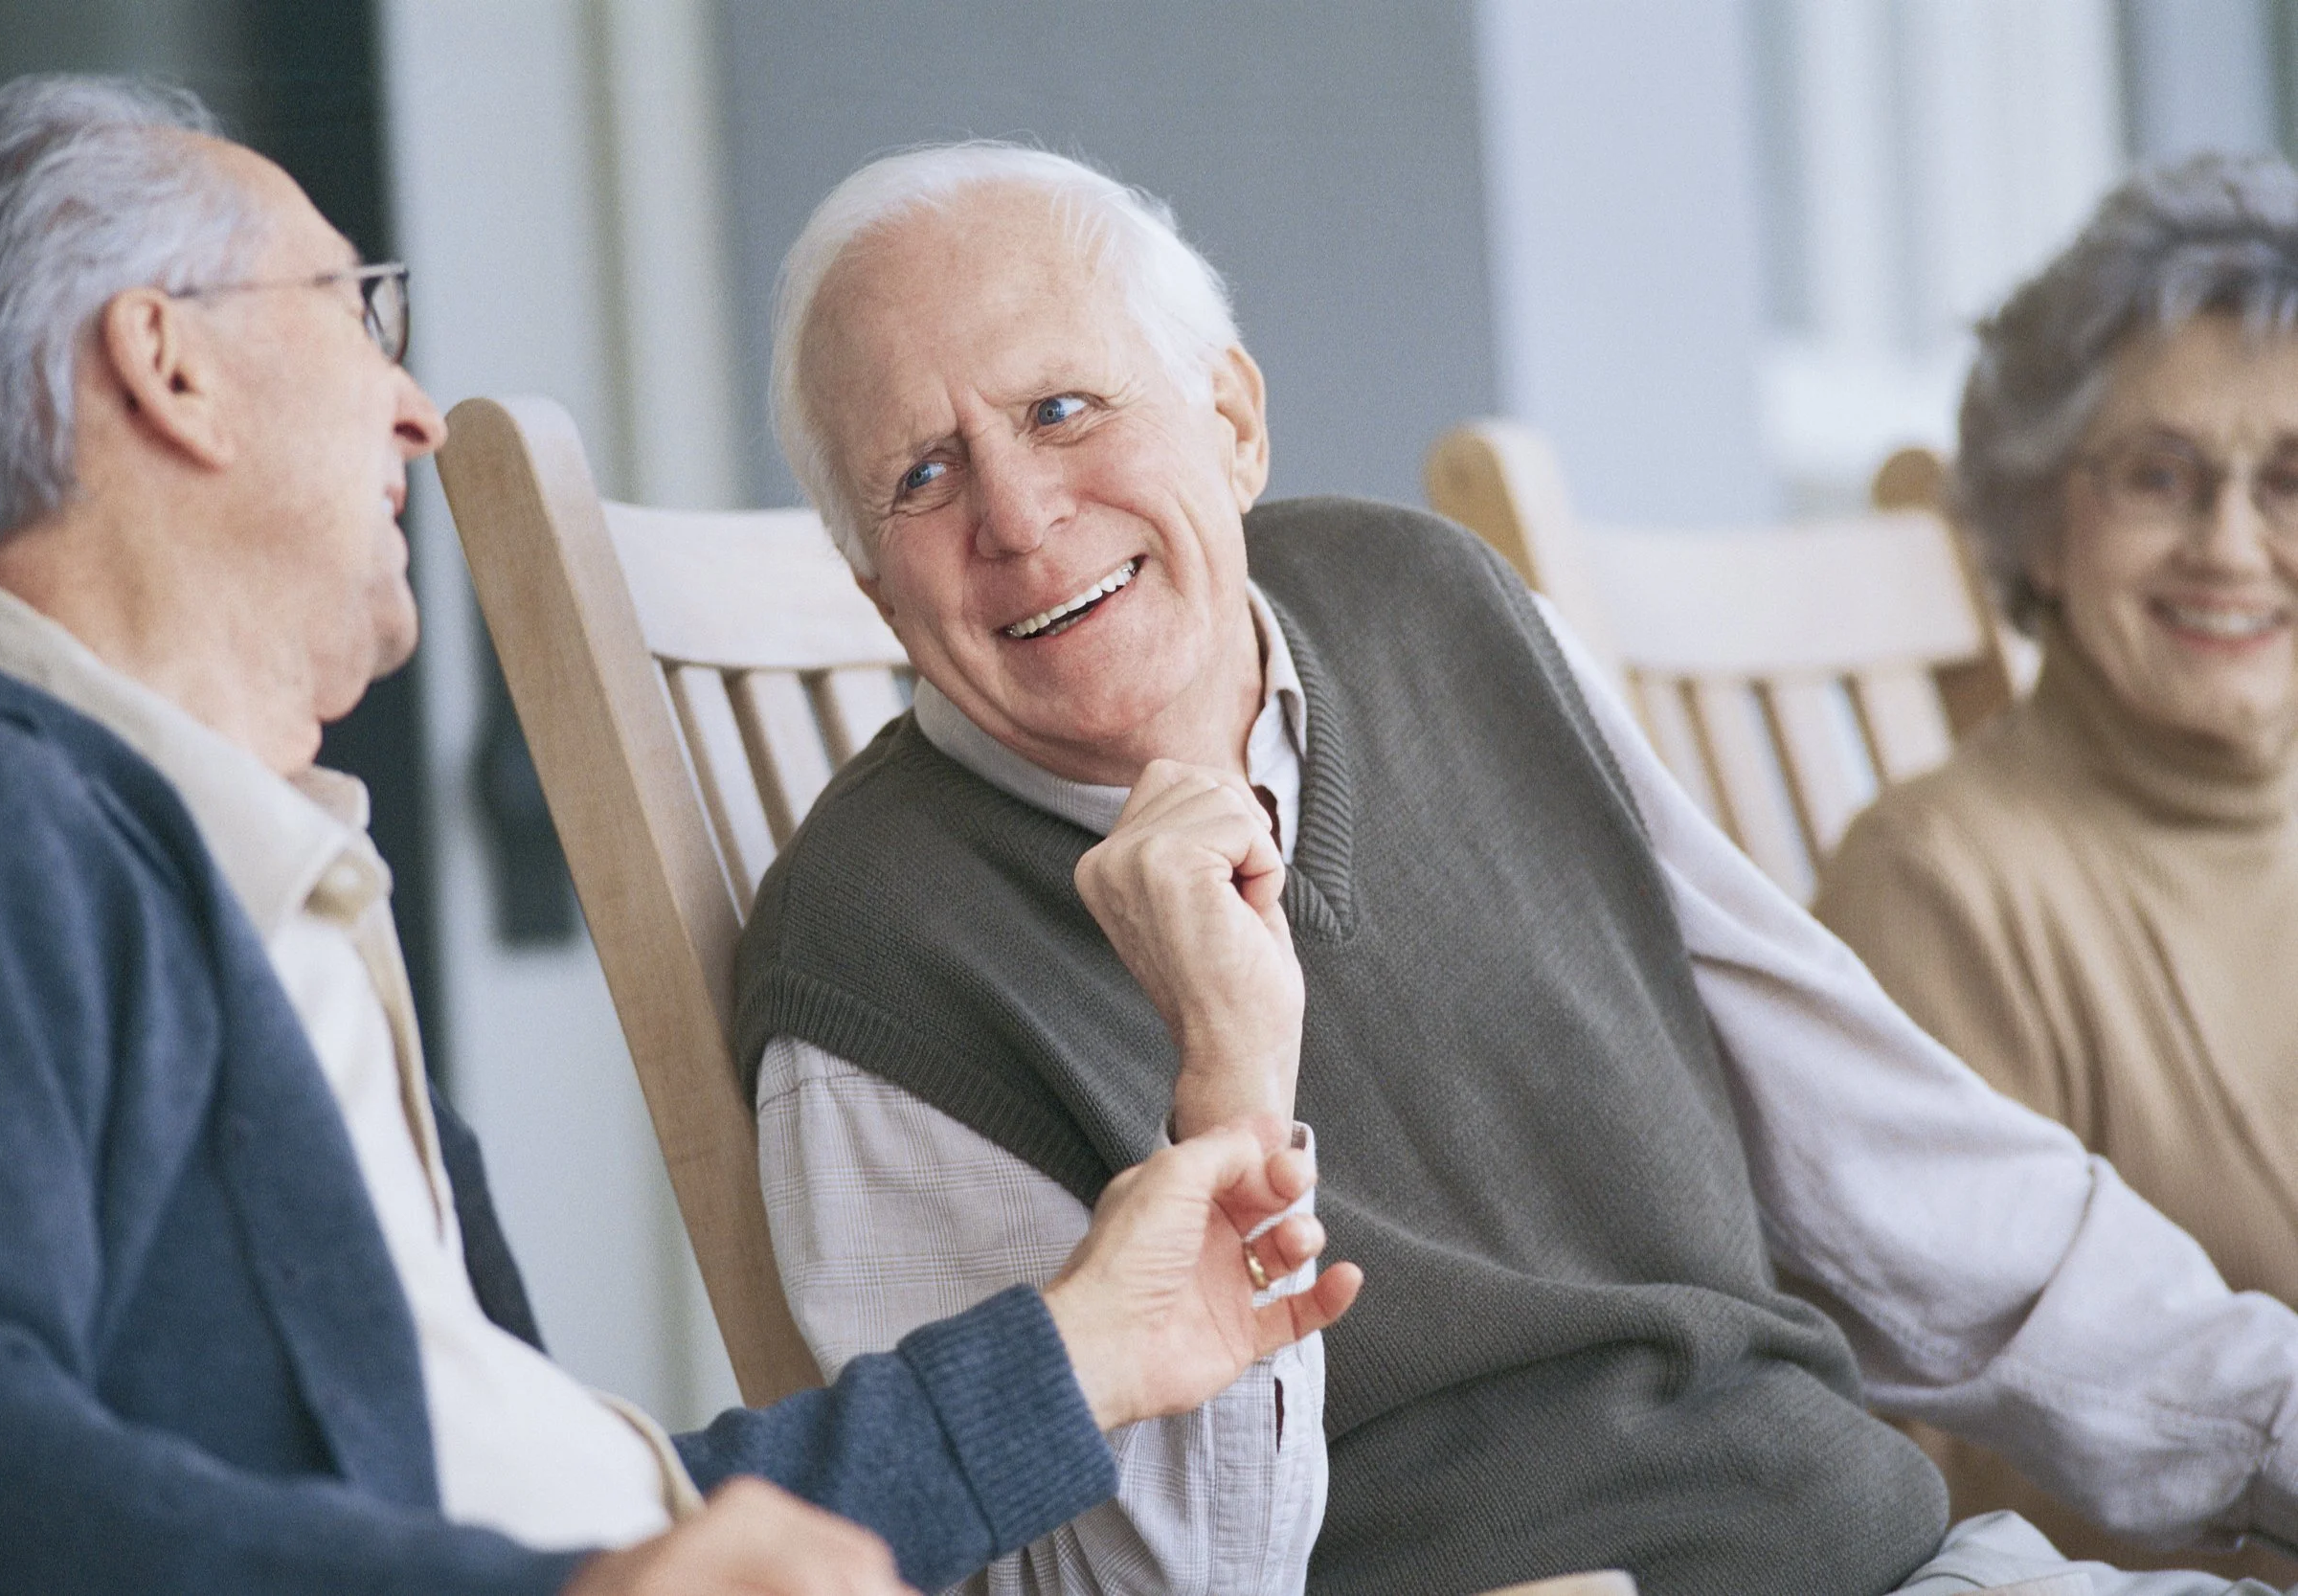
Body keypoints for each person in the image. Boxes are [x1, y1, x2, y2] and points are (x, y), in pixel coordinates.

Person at [734, 140, 2298, 1596]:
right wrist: (1226, 1075)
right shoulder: (872, 961)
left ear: (1231, 420)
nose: (1019, 515)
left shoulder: (1431, 614)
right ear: (875, 585)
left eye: (1064, 409)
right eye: (923, 478)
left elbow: (1902, 1172)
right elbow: (1144, 1584)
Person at [0, 76, 1358, 1596]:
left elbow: (615, 1529)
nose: (413, 410)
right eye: (358, 314)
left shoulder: (246, 883)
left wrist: (1083, 1349)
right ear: (169, 365)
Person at [1814, 153, 2298, 1581]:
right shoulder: (1941, 882)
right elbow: (1912, 1453)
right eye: (2159, 474)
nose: (2229, 544)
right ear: (2039, 509)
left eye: (2290, 478)